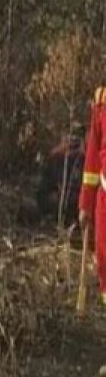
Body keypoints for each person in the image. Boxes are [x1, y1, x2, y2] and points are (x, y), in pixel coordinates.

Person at [79, 89, 106, 308]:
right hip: (104, 199)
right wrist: (85, 204)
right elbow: (93, 157)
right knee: (104, 258)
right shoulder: (101, 101)